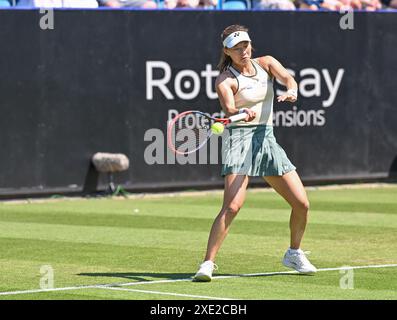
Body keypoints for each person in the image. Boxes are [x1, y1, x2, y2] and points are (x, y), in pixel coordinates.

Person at [193, 24, 317, 282]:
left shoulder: (267, 63)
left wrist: (291, 89)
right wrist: (241, 113)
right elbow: (229, 109)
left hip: (266, 138)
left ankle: (293, 253)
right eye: (237, 49)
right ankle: (207, 264)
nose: (243, 52)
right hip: (240, 140)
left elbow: (288, 78)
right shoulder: (225, 80)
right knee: (233, 206)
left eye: (246, 46)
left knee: (302, 204)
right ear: (227, 52)